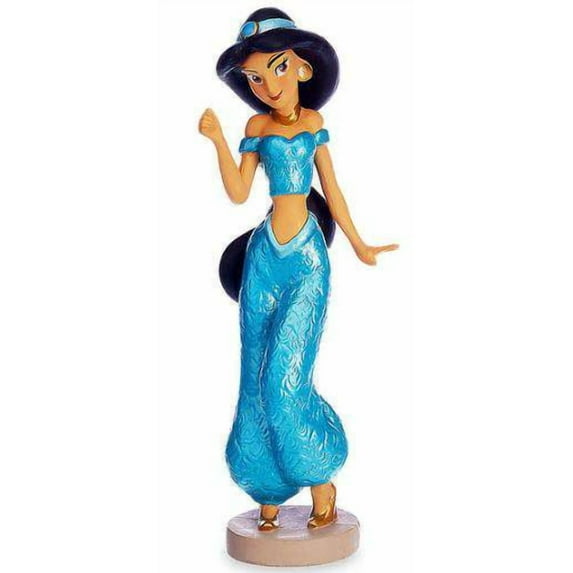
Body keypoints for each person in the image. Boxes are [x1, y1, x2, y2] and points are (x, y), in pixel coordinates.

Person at [199, 7, 398, 531]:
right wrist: (218, 141)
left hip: (307, 260)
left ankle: (319, 473)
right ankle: (266, 486)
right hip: (264, 257)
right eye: (254, 77)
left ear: (303, 69)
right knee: (252, 374)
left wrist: (358, 242)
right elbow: (239, 192)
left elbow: (332, 190)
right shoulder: (255, 126)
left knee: (284, 378)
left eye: (279, 69)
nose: (268, 86)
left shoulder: (314, 125)